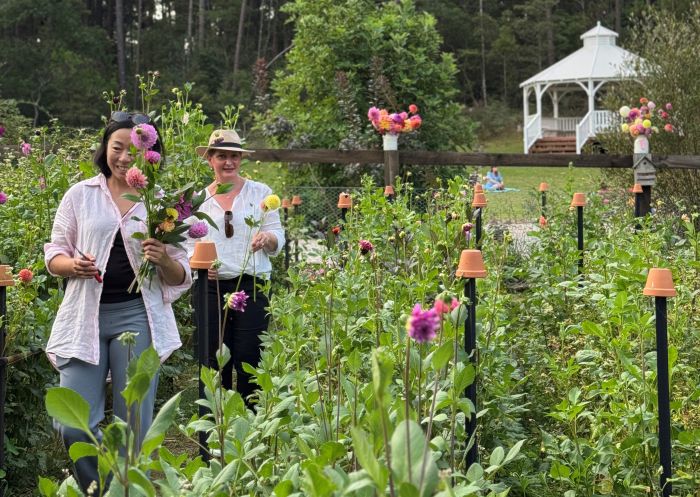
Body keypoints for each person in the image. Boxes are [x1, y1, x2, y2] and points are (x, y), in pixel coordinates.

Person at [44, 112, 192, 493]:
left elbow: (181, 276)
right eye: (117, 147)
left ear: (151, 155)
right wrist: (71, 265)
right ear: (105, 148)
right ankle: (102, 488)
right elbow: (54, 253)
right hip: (84, 316)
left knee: (134, 424)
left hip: (138, 317)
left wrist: (164, 259)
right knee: (72, 422)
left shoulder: (161, 204)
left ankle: (125, 489)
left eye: (136, 149)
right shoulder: (80, 195)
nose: (125, 157)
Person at [190, 129, 284, 406]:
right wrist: (201, 265)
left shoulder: (261, 193)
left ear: (241, 159)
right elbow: (185, 245)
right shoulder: (197, 201)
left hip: (250, 284)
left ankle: (248, 431)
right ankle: (212, 430)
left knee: (249, 357)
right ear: (210, 159)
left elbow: (277, 235)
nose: (228, 162)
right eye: (221, 156)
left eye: (234, 156)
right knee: (212, 359)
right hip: (210, 286)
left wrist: (267, 239)